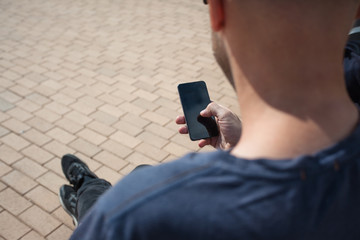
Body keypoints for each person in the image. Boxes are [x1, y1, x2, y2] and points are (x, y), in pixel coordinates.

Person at [59, 0, 360, 239]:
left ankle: (85, 191)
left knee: (106, 197)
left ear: (218, 10)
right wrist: (241, 143)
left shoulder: (139, 214)